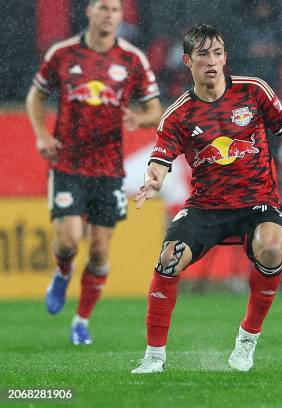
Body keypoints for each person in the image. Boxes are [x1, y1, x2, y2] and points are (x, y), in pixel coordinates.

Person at [130, 24, 282, 374]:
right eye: (202, 54)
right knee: (168, 260)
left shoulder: (253, 91)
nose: (211, 61)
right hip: (206, 207)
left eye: (217, 53)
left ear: (225, 58)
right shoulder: (179, 114)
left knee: (271, 248)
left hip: (257, 203)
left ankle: (247, 339)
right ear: (187, 61)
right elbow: (160, 159)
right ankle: (154, 357)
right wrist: (153, 180)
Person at [25, 0, 162, 345]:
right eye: (102, 7)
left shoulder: (132, 59)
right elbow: (35, 97)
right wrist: (42, 134)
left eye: (114, 9)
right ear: (88, 12)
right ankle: (62, 272)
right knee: (70, 239)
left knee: (100, 250)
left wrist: (139, 118)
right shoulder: (63, 53)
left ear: (120, 16)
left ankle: (81, 320)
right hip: (68, 162)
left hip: (108, 167)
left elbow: (154, 111)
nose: (108, 14)